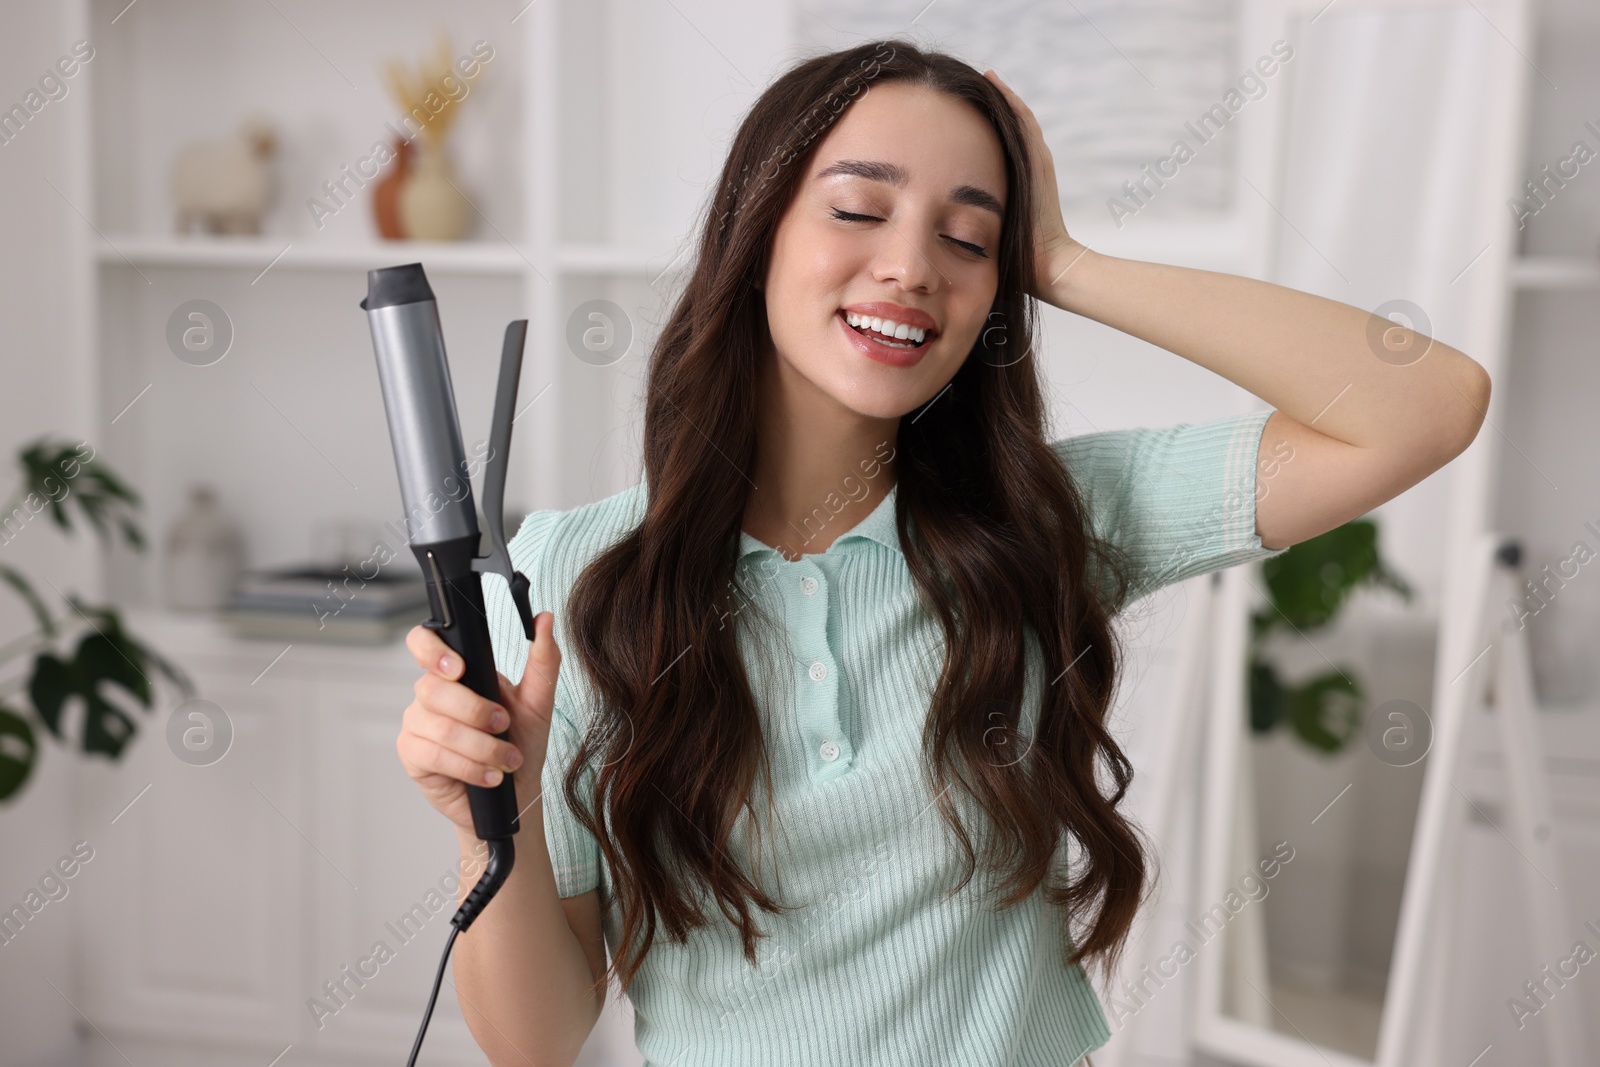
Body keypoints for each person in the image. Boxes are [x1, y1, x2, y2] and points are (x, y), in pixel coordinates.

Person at [396, 39, 1489, 1067]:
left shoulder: (1049, 520)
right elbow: (534, 1040)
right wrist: (500, 811)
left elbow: (1426, 406)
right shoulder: (573, 571)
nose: (912, 265)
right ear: (757, 229)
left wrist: (1065, 262)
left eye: (969, 238)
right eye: (860, 210)